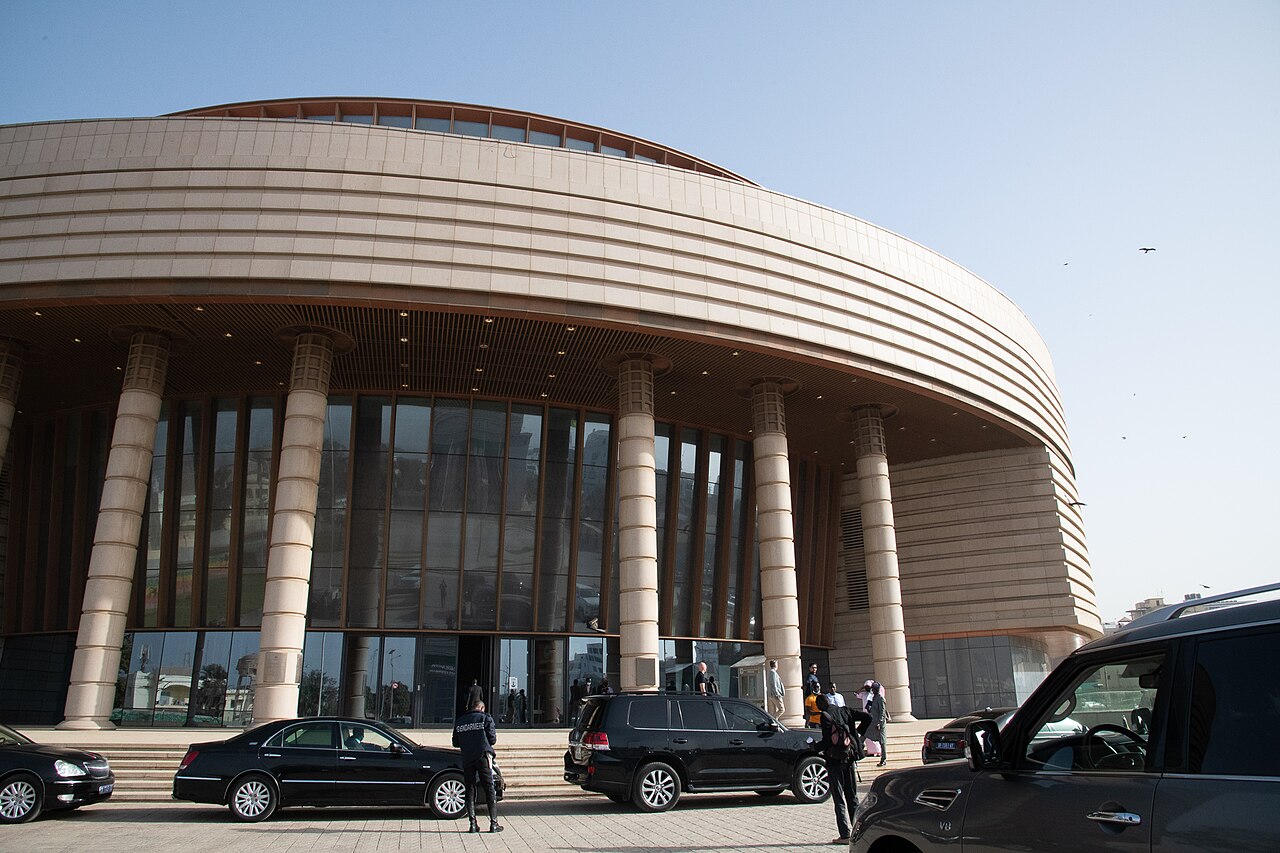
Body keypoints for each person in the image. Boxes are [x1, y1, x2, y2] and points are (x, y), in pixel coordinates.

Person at [818, 693, 871, 844]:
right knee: (852, 797)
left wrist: (814, 746)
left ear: (820, 705)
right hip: (849, 758)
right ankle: (857, 833)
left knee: (839, 798)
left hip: (834, 760)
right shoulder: (845, 711)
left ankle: (845, 835)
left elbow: (827, 741)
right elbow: (869, 718)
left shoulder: (825, 716)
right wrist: (856, 734)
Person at [452, 697, 503, 833]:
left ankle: (473, 825)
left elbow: (455, 743)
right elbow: (492, 739)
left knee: (469, 789)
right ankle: (493, 824)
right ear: (481, 708)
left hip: (467, 758)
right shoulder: (485, 718)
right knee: (489, 788)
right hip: (483, 757)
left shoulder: (460, 721)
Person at [866, 680, 888, 766]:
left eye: (873, 689)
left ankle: (884, 759)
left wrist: (879, 723)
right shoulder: (874, 697)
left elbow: (882, 712)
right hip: (873, 721)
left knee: (882, 742)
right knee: (864, 735)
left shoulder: (880, 698)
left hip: (879, 723)